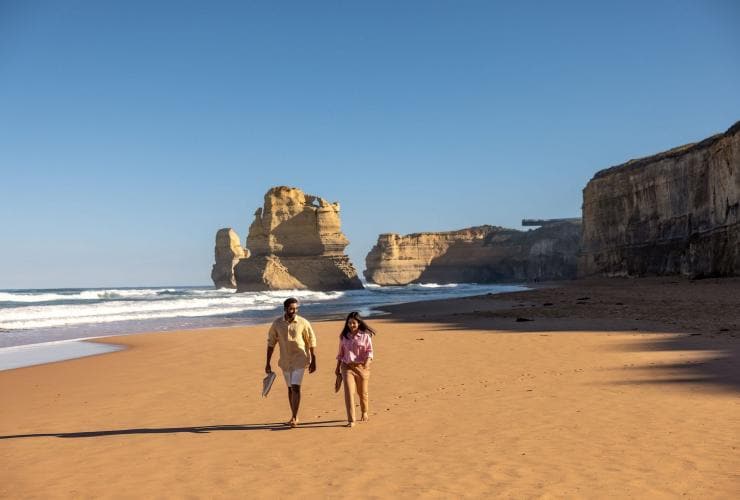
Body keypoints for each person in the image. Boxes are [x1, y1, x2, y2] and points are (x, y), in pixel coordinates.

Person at [265, 297, 317, 428]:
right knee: (289, 389)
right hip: (285, 361)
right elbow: (271, 343)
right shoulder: (277, 324)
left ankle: (295, 417)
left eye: (296, 308)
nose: (294, 311)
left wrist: (313, 359)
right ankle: (293, 415)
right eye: (291, 308)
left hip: (300, 359)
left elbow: (311, 340)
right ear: (285, 309)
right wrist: (267, 362)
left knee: (295, 387)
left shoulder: (303, 323)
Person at [335, 311, 375, 428]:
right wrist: (337, 368)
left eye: (354, 323)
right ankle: (351, 420)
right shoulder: (344, 336)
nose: (351, 325)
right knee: (348, 393)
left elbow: (369, 351)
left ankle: (364, 411)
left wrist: (367, 364)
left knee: (362, 393)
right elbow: (340, 354)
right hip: (347, 367)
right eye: (349, 323)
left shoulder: (365, 336)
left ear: (358, 323)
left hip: (362, 367)